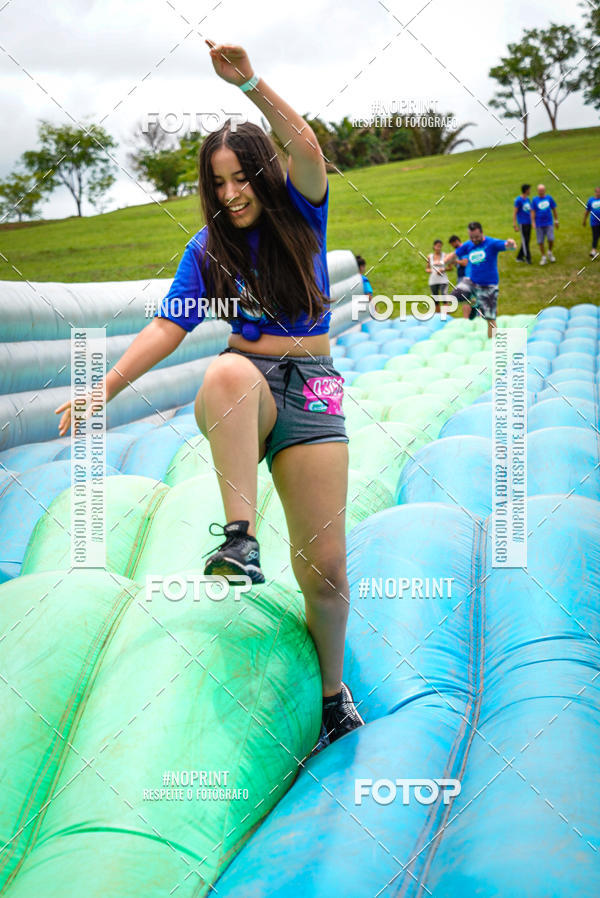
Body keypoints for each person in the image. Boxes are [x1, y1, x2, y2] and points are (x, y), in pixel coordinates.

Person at [55, 39, 364, 756]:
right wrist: (102, 389)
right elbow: (169, 325)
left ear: (260, 172)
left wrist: (250, 82)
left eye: (239, 178)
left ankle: (330, 696)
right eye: (217, 183)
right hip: (248, 386)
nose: (230, 194)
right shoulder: (207, 250)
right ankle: (239, 540)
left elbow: (307, 145)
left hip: (314, 388)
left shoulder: (300, 206)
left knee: (326, 569)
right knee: (222, 370)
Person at [445, 221, 516, 338]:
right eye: (471, 237)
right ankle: (476, 303)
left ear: (482, 233)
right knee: (453, 297)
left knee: (490, 318)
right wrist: (442, 263)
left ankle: (491, 343)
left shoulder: (491, 243)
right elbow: (454, 255)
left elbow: (508, 246)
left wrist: (511, 244)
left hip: (489, 286)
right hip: (471, 282)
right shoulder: (469, 245)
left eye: (476, 237)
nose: (474, 240)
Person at [531, 184, 558, 265]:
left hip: (549, 222)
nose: (541, 192)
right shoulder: (535, 200)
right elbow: (533, 211)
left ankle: (549, 252)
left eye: (542, 190)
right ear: (537, 191)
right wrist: (533, 222)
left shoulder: (549, 198)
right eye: (539, 190)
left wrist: (556, 220)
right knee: (540, 241)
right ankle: (543, 257)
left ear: (545, 190)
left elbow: (554, 209)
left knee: (551, 238)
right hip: (539, 223)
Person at [446, 234, 471, 320]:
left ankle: (466, 319)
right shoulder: (459, 251)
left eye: (452, 244)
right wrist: (453, 262)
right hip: (460, 277)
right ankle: (467, 318)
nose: (452, 246)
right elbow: (459, 264)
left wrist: (454, 260)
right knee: (467, 299)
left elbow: (465, 263)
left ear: (456, 241)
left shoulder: (463, 249)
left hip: (465, 278)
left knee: (463, 299)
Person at [426, 239, 450, 313]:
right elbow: (427, 269)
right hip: (433, 281)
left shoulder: (445, 256)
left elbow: (450, 267)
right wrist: (433, 271)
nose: (438, 248)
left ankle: (446, 315)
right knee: (435, 299)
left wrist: (443, 270)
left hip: (443, 280)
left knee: (444, 296)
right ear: (434, 247)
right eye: (437, 246)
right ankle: (438, 316)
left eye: (440, 247)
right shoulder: (430, 257)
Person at [513, 183, 532, 264]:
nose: (530, 191)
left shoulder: (528, 199)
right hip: (522, 223)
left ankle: (519, 257)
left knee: (526, 241)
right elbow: (515, 213)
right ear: (526, 190)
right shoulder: (518, 200)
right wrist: (515, 224)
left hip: (529, 222)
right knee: (525, 241)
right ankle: (528, 258)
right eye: (529, 189)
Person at [583, 186, 600, 258]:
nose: (598, 193)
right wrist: (584, 220)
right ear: (595, 192)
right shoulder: (591, 200)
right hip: (594, 222)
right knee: (595, 236)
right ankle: (593, 250)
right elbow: (587, 211)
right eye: (597, 192)